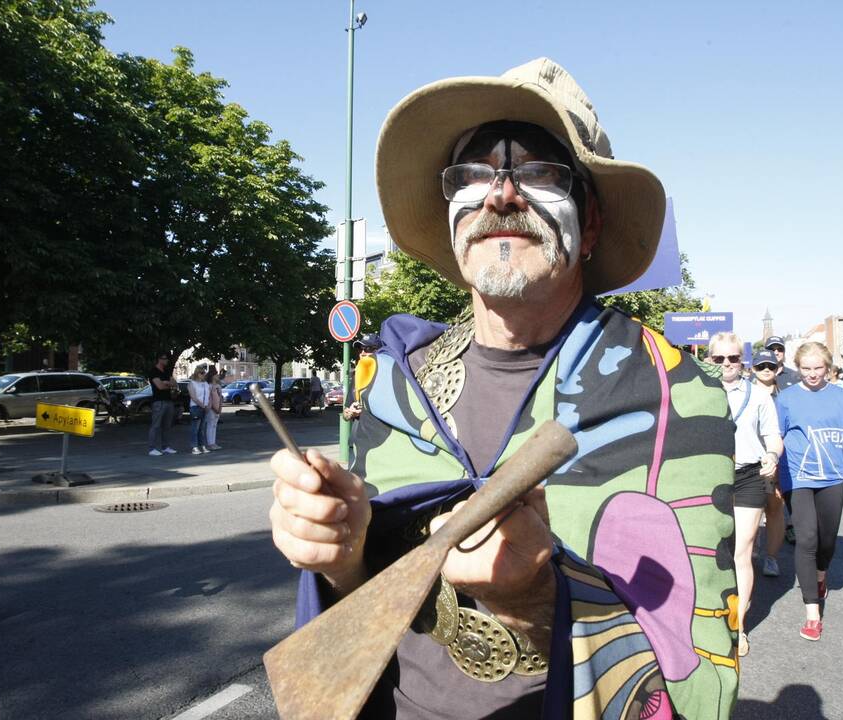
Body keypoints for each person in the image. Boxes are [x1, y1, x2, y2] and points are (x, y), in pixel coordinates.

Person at [268, 59, 738, 719]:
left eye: (540, 172)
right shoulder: (397, 382)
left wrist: (534, 605)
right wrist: (339, 557)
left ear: (591, 223)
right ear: (451, 214)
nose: (500, 195)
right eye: (473, 175)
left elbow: (698, 666)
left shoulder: (674, 393)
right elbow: (368, 602)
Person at [776, 342, 843, 642]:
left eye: (818, 368)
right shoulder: (787, 398)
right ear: (798, 367)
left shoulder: (842, 398)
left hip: (833, 477)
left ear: (828, 368)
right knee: (806, 539)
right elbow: (778, 438)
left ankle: (821, 574)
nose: (811, 374)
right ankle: (812, 612)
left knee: (826, 542)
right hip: (797, 477)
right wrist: (772, 468)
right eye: (806, 369)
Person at [709, 333, 781, 658]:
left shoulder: (759, 395)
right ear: (709, 360)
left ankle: (739, 627)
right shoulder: (700, 390)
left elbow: (773, 436)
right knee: (713, 550)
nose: (726, 365)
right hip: (709, 478)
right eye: (719, 359)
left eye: (733, 358)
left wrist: (772, 456)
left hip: (748, 476)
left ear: (743, 360)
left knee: (741, 551)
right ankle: (709, 618)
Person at [750, 349, 789, 573]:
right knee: (749, 508)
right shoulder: (742, 393)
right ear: (752, 369)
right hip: (747, 461)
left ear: (778, 369)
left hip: (776, 461)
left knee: (774, 508)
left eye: (771, 366)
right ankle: (749, 548)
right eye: (761, 366)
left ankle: (771, 557)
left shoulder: (785, 397)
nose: (766, 370)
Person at [342, 334, 382, 422]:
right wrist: (350, 412)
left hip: (379, 433)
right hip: (359, 433)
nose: (362, 353)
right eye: (360, 349)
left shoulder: (385, 375)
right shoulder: (357, 375)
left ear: (378, 351)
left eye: (368, 349)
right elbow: (345, 413)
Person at [147, 352, 177, 457]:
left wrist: (167, 383)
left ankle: (165, 447)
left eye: (167, 359)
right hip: (158, 401)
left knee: (167, 425)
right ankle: (152, 448)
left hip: (168, 400)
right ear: (159, 359)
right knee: (155, 425)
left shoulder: (166, 371)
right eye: (165, 359)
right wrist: (168, 384)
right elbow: (159, 386)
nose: (167, 361)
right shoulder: (154, 371)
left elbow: (175, 383)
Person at [187, 365, 210, 455]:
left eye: (204, 373)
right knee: (195, 428)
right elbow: (194, 397)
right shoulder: (192, 383)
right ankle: (194, 447)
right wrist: (202, 405)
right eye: (202, 373)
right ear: (197, 373)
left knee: (202, 428)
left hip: (205, 407)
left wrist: (207, 405)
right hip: (196, 407)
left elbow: (208, 395)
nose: (203, 375)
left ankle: (203, 446)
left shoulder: (205, 384)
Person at [204, 366, 222, 451]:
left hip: (217, 407)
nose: (218, 376)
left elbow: (220, 397)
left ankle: (213, 442)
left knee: (214, 425)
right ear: (212, 376)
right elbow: (209, 398)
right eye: (216, 374)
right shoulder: (209, 386)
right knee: (210, 425)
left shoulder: (218, 385)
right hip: (211, 408)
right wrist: (213, 408)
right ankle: (210, 443)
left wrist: (220, 408)